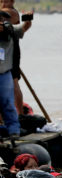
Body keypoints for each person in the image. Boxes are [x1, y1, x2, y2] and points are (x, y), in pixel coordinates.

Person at [0, 9, 25, 140]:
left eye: (3, 21)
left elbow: (23, 28)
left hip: (4, 74)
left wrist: (28, 19)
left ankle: (13, 131)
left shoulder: (10, 31)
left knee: (8, 104)